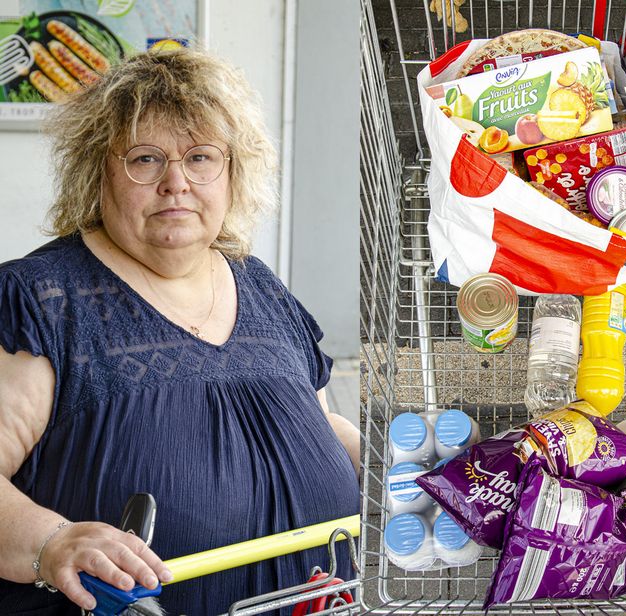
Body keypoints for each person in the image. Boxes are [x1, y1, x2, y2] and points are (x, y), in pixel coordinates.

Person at [0, 48, 360, 615]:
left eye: (200, 157)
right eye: (145, 159)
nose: (176, 182)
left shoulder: (259, 285)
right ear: (97, 173)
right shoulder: (41, 300)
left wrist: (394, 466)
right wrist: (51, 543)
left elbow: (311, 422)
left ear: (233, 172)